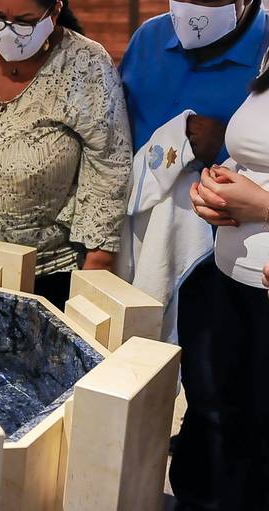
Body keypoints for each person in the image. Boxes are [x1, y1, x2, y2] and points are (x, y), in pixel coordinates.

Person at [120, 1, 269, 509]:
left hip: (253, 270)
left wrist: (257, 199)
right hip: (221, 271)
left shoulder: (261, 37)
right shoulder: (147, 42)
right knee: (212, 412)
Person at [0, 0, 131, 309]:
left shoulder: (86, 63)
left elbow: (110, 162)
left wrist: (99, 261)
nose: (9, 30)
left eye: (24, 21)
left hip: (48, 275)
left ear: (53, 13)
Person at [187, 55, 269, 510]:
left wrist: (262, 206)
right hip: (233, 283)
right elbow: (253, 149)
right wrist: (220, 182)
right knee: (230, 441)